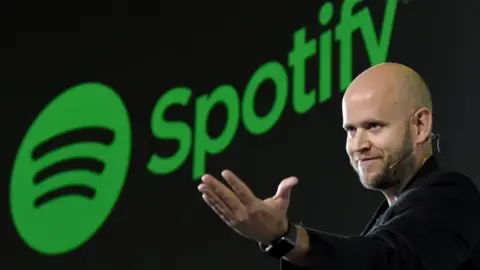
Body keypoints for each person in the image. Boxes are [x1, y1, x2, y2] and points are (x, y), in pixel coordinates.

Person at [197, 62, 480, 269]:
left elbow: (387, 261)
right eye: (351, 130)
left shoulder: (453, 196)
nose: (359, 144)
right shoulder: (391, 217)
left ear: (420, 126)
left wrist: (285, 236)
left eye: (373, 126)